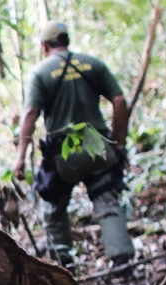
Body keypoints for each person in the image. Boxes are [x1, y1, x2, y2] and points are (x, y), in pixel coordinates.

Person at [13, 21, 133, 271]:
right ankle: (122, 262)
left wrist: (20, 159)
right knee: (107, 200)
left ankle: (64, 266)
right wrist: (119, 143)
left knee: (54, 207)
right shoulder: (93, 64)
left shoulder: (40, 73)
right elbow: (119, 101)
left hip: (63, 154)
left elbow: (30, 114)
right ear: (66, 40)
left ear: (44, 46)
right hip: (99, 146)